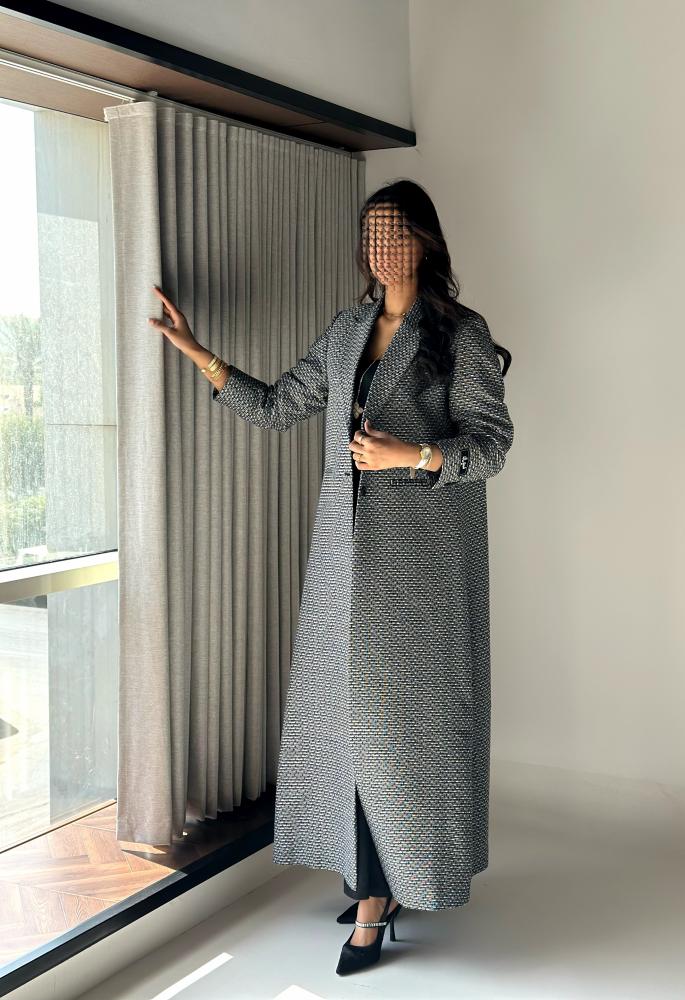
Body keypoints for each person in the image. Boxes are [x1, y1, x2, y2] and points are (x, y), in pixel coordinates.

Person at [148, 179, 514, 976]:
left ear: (425, 242)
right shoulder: (348, 330)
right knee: (350, 727)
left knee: (401, 734)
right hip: (344, 566)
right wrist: (198, 351)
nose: (383, 250)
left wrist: (410, 454)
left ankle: (381, 898)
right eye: (372, 235)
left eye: (397, 234)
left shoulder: (460, 334)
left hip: (421, 571)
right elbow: (279, 406)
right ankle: (374, 879)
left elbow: (491, 445)